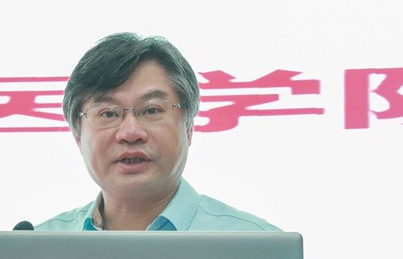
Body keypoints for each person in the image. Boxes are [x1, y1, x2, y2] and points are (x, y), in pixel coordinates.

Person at [35, 32, 280, 232]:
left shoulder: (258, 247)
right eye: (108, 114)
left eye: (151, 110)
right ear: (78, 136)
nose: (130, 132)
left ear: (189, 127)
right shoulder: (36, 249)